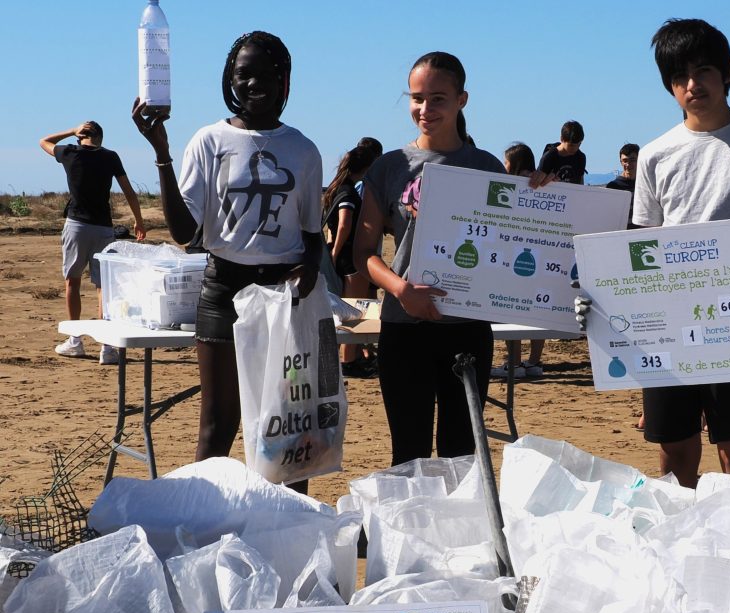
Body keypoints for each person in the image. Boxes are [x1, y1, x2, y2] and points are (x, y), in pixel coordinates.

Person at [594, 18, 730, 488]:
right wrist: (603, 296)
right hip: (669, 327)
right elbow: (642, 244)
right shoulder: (655, 154)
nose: (693, 84)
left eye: (704, 70)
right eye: (679, 76)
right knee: (675, 452)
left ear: (726, 74)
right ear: (669, 85)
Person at [132, 31, 323, 481]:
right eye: (243, 74)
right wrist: (162, 153)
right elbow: (184, 232)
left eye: (267, 75)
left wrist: (312, 266)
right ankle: (204, 528)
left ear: (285, 81)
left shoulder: (304, 150)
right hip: (223, 292)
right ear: (228, 79)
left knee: (287, 427)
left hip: (284, 297)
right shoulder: (209, 141)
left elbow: (312, 233)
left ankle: (288, 530)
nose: (254, 84)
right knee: (217, 426)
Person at [353, 51, 506, 466]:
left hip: (468, 328)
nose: (425, 108)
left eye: (438, 98)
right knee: (409, 452)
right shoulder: (389, 167)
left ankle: (461, 533)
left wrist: (539, 190)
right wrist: (401, 290)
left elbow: (512, 241)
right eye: (417, 97)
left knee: (461, 453)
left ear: (462, 100)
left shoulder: (487, 167)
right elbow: (363, 254)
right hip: (404, 329)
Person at [39, 120, 147, 364]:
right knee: (104, 287)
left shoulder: (70, 152)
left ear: (80, 137)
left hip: (76, 225)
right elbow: (128, 190)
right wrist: (138, 221)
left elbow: (44, 142)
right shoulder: (110, 157)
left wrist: (69, 130)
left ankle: (75, 341)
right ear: (101, 137)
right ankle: (107, 348)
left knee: (73, 282)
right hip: (103, 228)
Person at [490, 142, 546, 379]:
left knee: (512, 310)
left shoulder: (511, 185)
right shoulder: (543, 183)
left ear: (513, 163)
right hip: (541, 256)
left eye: (505, 162)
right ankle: (533, 362)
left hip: (514, 256)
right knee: (537, 311)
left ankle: (512, 363)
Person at [323, 144, 378, 377]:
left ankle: (349, 359)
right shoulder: (348, 191)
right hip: (350, 258)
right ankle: (349, 362)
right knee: (355, 310)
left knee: (348, 308)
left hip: (342, 256)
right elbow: (344, 223)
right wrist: (336, 253)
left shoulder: (337, 188)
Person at [535, 121, 587, 185]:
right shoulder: (549, 157)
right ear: (562, 139)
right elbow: (537, 182)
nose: (575, 148)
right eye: (571, 145)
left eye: (578, 145)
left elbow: (580, 183)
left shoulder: (580, 157)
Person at [605, 143, 639, 228]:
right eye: (625, 160)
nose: (628, 164)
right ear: (621, 162)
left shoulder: (645, 183)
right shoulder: (613, 187)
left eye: (632, 160)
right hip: (622, 234)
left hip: (644, 234)